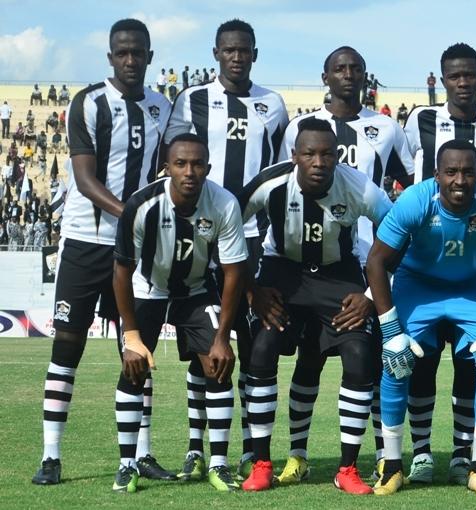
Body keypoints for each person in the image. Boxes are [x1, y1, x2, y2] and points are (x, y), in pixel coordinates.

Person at [31, 18, 172, 486]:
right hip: (85, 243)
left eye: (138, 52)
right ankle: (51, 456)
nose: (130, 60)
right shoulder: (88, 102)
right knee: (67, 347)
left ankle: (141, 453)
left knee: (137, 350)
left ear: (149, 57)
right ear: (111, 57)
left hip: (136, 249)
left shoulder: (162, 108)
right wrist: (132, 214)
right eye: (122, 52)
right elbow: (85, 179)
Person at [275, 46, 414, 485]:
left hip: (369, 269)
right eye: (340, 68)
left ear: (366, 76)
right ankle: (296, 456)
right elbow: (279, 190)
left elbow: (408, 193)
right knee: (308, 358)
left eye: (356, 69)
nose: (348, 75)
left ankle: (381, 455)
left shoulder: (387, 128)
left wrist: (378, 283)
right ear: (326, 76)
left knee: (369, 360)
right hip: (308, 263)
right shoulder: (299, 126)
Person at [367, 139, 476, 496]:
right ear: (436, 175)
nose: (460, 180)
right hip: (418, 285)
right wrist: (391, 330)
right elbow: (376, 261)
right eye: (451, 172)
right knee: (396, 360)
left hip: (471, 288)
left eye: (468, 172)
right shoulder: (415, 200)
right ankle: (392, 466)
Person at [239, 118, 393, 494]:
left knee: (359, 356)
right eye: (310, 154)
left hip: (338, 276)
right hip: (282, 274)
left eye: (327, 154)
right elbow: (227, 225)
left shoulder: (359, 187)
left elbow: (397, 234)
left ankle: (348, 470)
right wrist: (251, 290)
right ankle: (261, 464)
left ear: (338, 156)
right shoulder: (270, 184)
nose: (319, 162)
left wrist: (369, 296)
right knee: (261, 350)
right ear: (295, 156)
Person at [165, 18, 289, 481]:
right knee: (205, 342)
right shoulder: (191, 99)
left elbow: (280, 174)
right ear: (216, 53)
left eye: (245, 50)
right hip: (201, 236)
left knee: (255, 347)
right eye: (229, 50)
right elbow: (173, 162)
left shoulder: (273, 105)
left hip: (255, 238)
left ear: (255, 54)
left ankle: (253, 450)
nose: (237, 57)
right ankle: (197, 447)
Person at [401, 42, 476, 485]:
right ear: (443, 78)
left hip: (472, 259)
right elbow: (406, 168)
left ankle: (461, 454)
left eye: (471, 74)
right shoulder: (420, 120)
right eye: (455, 75)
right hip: (423, 258)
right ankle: (421, 453)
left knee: (472, 363)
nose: (464, 82)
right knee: (421, 361)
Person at [111, 133, 248, 492]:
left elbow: (234, 272)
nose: (189, 171)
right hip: (147, 291)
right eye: (181, 164)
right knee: (133, 368)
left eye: (197, 164)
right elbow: (121, 272)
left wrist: (222, 338)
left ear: (208, 168)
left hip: (196, 292)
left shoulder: (224, 204)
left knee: (218, 365)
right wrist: (131, 337)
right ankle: (127, 465)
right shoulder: (141, 205)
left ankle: (219, 464)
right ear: (166, 168)